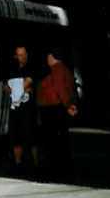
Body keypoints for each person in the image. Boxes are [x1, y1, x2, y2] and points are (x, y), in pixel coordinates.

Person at [37, 46, 78, 170]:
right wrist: (71, 104)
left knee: (53, 138)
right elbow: (69, 88)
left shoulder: (57, 69)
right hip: (56, 106)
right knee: (60, 136)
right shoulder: (64, 68)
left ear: (51, 57)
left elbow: (61, 88)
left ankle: (56, 165)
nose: (47, 60)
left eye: (47, 58)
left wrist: (68, 105)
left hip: (52, 107)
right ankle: (62, 164)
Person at [4, 45, 39, 173]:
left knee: (31, 135)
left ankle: (36, 164)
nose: (22, 57)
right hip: (15, 108)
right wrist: (18, 88)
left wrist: (16, 87)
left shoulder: (32, 68)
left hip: (28, 108)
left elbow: (27, 83)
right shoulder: (12, 69)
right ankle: (18, 163)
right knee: (16, 136)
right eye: (19, 55)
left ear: (27, 55)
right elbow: (6, 86)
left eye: (23, 54)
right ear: (16, 56)